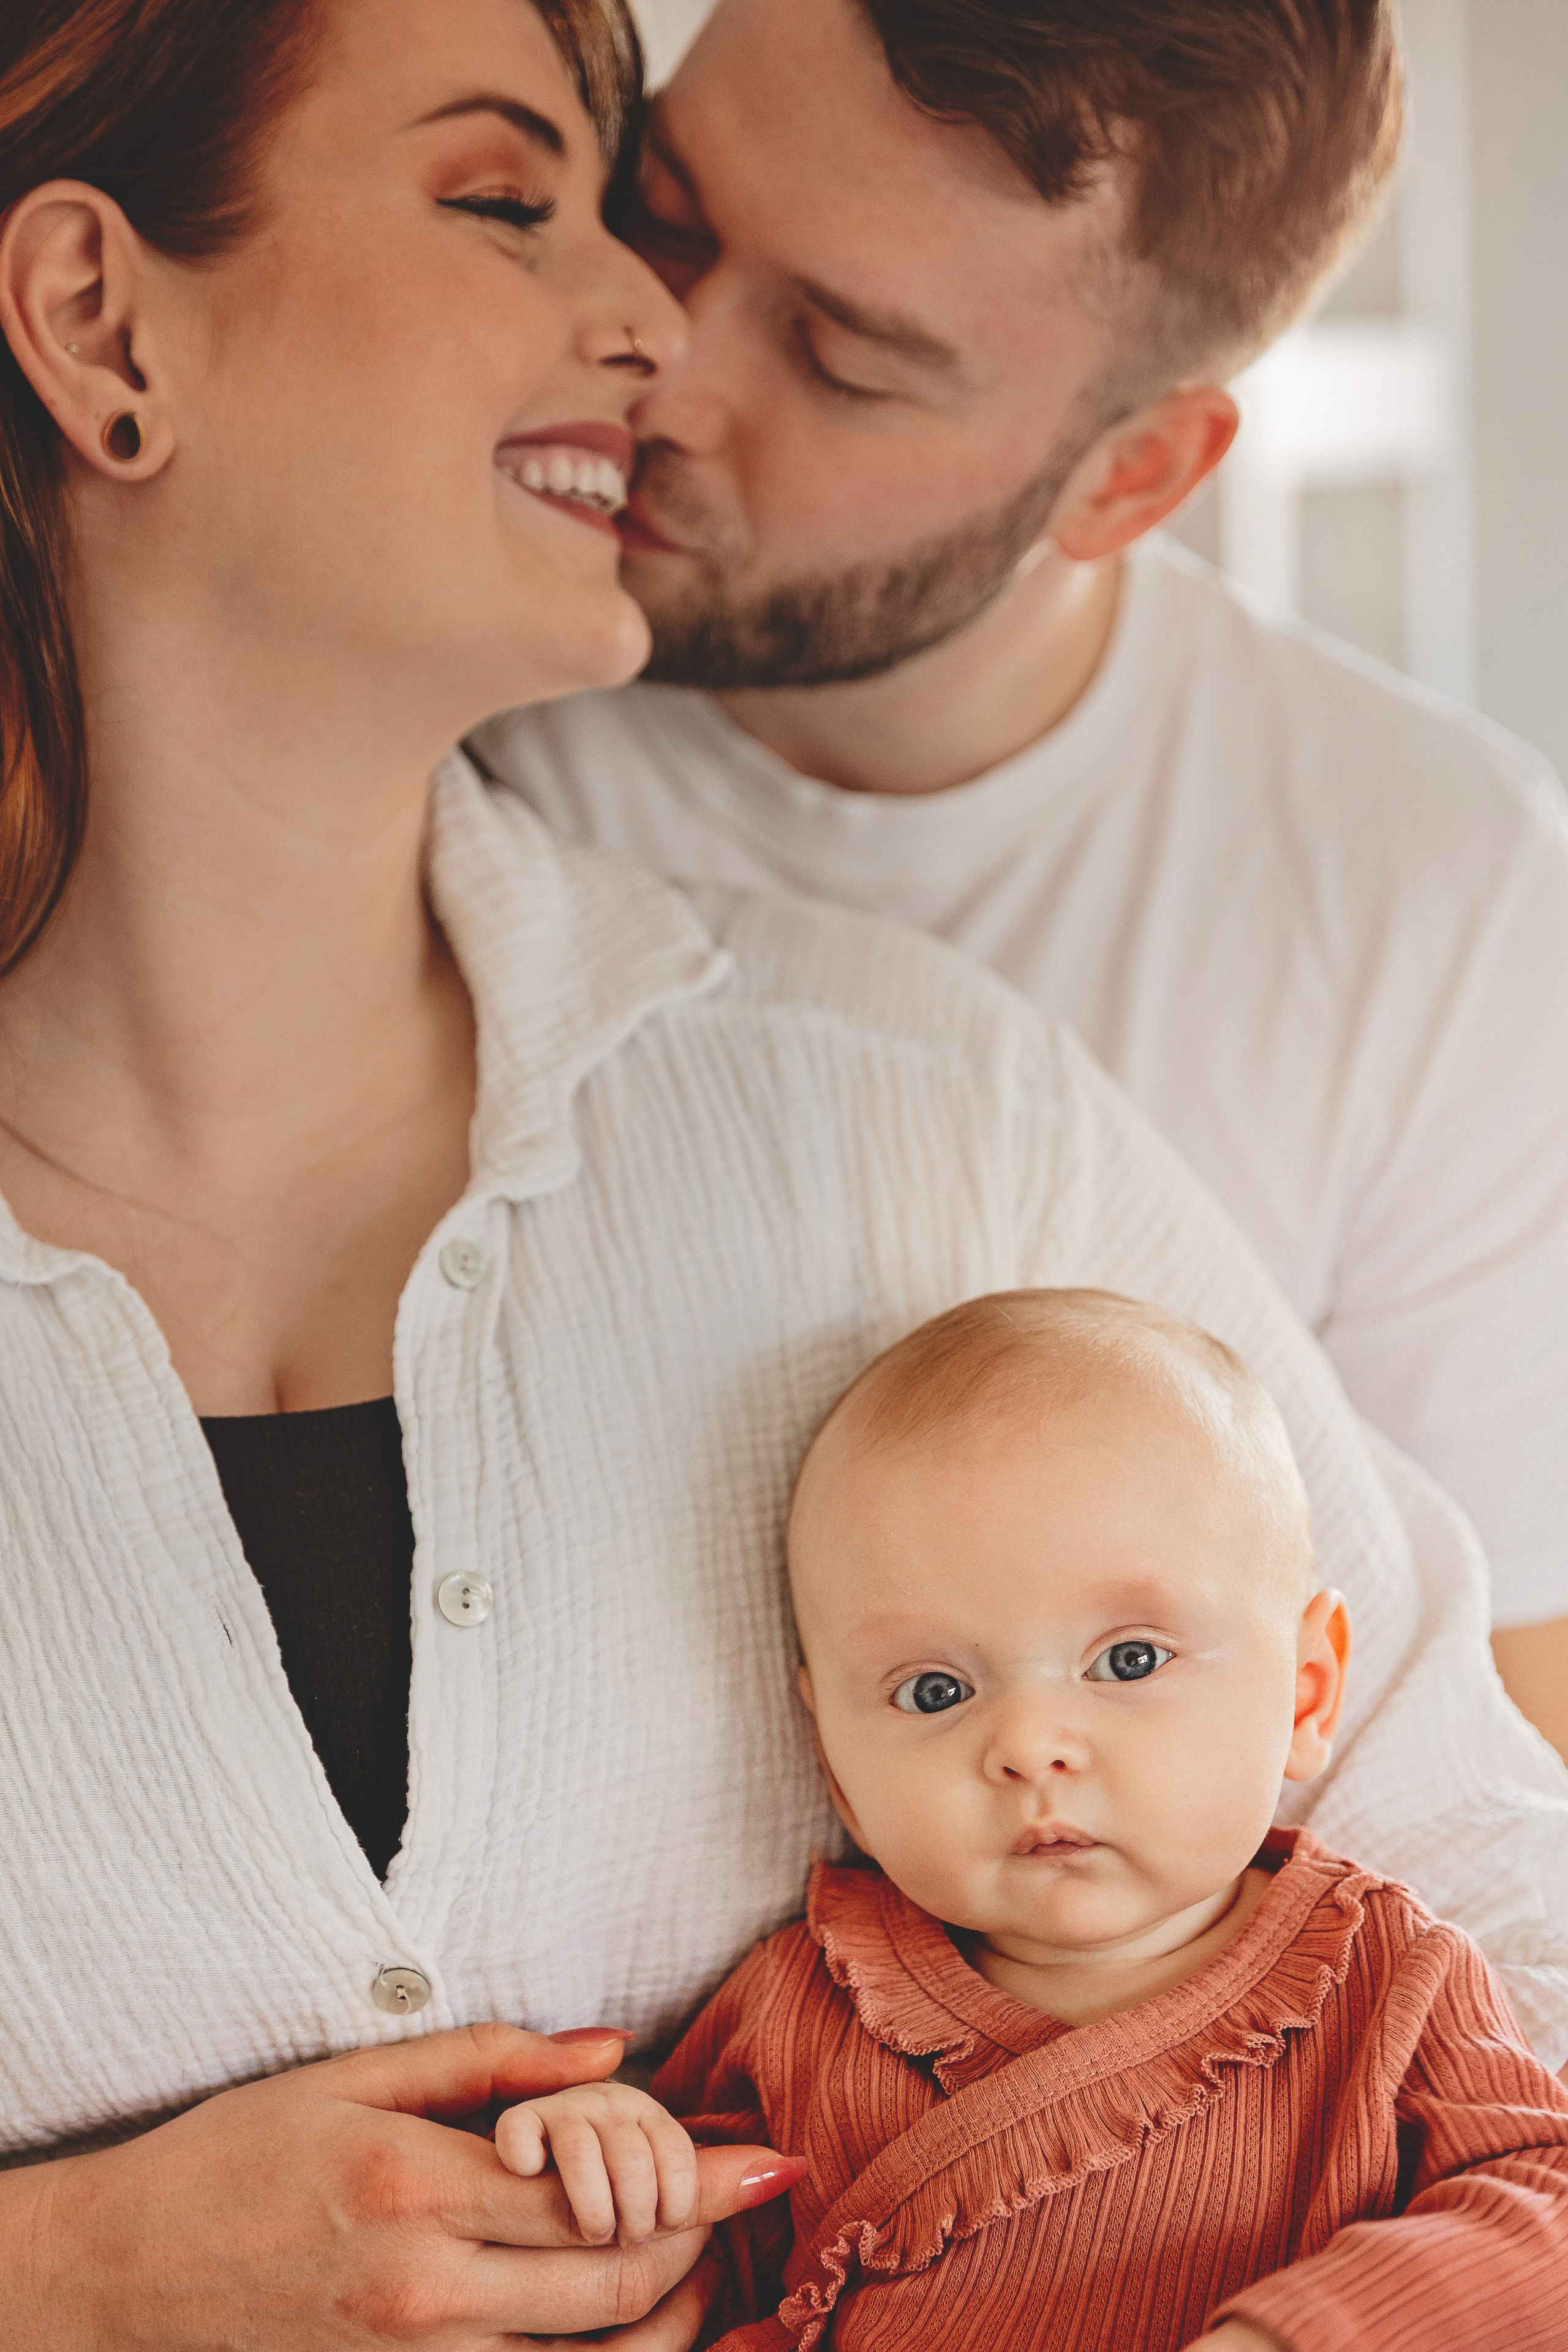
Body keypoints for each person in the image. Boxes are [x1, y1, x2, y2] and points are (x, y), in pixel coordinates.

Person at [0, 1, 1564, 2345]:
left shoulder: (919, 1115)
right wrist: (66, 2275)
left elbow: (1511, 1964)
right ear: (104, 323)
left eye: (838, 342)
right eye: (523, 201)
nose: (645, 323)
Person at [475, 0, 1568, 1762]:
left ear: (1130, 476)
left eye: (840, 357)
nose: (659, 369)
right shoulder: (433, 690)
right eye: (666, 211)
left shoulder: (1437, 895)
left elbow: (1504, 1774)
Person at [496, 1294, 1568, 2352]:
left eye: (1130, 1660)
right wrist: (618, 2160)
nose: (1029, 1744)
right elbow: (692, 2258)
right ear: (833, 1757)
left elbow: (1544, 2216)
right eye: (933, 1691)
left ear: (1305, 1694)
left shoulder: (1388, 1977)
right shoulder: (798, 2002)